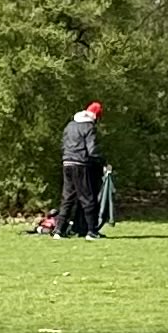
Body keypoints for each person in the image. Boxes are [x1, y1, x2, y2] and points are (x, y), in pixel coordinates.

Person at [59, 98, 106, 238]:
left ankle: (59, 230)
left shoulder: (70, 125)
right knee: (88, 198)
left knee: (67, 197)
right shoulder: (89, 127)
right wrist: (103, 163)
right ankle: (91, 231)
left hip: (67, 163)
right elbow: (92, 150)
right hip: (80, 164)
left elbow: (63, 144)